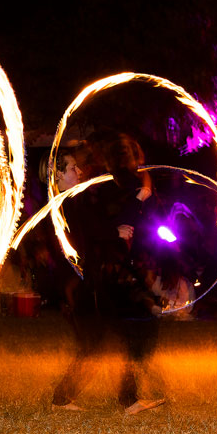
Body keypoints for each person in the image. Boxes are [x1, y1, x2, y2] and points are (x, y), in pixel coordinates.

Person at [49, 136, 165, 415]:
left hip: (93, 280)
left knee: (114, 339)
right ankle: (64, 399)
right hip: (81, 284)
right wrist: (115, 230)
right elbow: (82, 238)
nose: (78, 171)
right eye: (72, 168)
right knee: (97, 344)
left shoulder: (76, 201)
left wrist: (133, 207)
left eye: (77, 166)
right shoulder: (61, 206)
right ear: (58, 175)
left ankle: (125, 400)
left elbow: (99, 229)